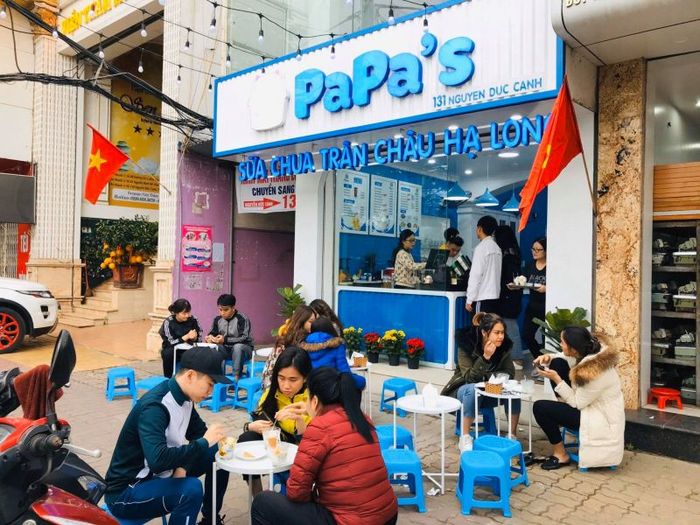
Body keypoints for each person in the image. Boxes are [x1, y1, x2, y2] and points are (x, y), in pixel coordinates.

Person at [251, 368, 398, 525]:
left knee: (263, 502)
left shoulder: (320, 427)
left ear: (314, 401)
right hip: (388, 515)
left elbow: (297, 492)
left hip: (350, 520)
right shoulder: (362, 418)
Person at [105, 347, 231, 525]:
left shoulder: (186, 398)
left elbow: (199, 434)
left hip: (160, 474)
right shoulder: (156, 406)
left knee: (218, 453)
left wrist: (184, 466)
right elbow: (158, 460)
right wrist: (204, 442)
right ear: (190, 376)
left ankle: (210, 519)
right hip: (127, 491)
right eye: (210, 384)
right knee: (191, 490)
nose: (211, 391)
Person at [533, 328, 625, 470]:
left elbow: (577, 403)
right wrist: (548, 357)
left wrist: (557, 379)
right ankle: (560, 413)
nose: (560, 344)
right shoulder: (591, 353)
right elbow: (564, 356)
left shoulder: (593, 372)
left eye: (562, 342)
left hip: (598, 417)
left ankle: (561, 454)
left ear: (574, 349)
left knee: (540, 408)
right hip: (588, 405)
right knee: (557, 362)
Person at [238, 347, 312, 495]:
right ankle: (258, 495)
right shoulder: (270, 394)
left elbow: (315, 436)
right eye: (281, 378)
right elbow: (258, 418)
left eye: (293, 380)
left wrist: (299, 419)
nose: (286, 385)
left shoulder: (313, 398)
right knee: (246, 439)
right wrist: (250, 426)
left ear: (305, 378)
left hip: (306, 448)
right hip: (278, 445)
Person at [441, 312, 520, 447]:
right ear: (484, 332)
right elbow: (469, 378)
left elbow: (509, 373)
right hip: (463, 391)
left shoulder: (504, 346)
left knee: (514, 391)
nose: (501, 336)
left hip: (489, 389)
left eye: (502, 332)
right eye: (497, 333)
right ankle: (465, 437)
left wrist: (487, 378)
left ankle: (512, 435)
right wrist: (485, 358)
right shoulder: (466, 344)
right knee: (473, 389)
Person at [299, 317, 366, 390]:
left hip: (312, 387)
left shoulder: (304, 346)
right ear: (330, 329)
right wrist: (361, 381)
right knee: (361, 381)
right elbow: (345, 372)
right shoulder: (337, 345)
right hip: (332, 387)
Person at [261, 305, 316, 390]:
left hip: (268, 383)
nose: (314, 325)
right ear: (302, 321)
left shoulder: (286, 334)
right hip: (278, 386)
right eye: (311, 321)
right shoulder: (302, 341)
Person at [205, 293, 254, 381]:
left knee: (238, 347)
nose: (222, 313)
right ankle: (218, 377)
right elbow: (213, 333)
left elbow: (244, 337)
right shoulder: (217, 319)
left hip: (244, 350)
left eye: (226, 310)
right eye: (220, 310)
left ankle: (236, 378)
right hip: (226, 350)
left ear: (233, 308)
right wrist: (210, 338)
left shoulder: (242, 318)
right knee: (215, 347)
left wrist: (224, 340)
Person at [494, 225, 524, 363]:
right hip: (512, 298)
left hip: (508, 298)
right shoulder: (515, 254)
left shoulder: (508, 257)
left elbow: (508, 280)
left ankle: (517, 358)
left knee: (510, 328)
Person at [465, 216, 502, 314]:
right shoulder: (497, 248)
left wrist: (469, 299)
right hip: (495, 297)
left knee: (479, 323)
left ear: (479, 229)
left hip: (482, 297)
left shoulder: (481, 248)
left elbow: (476, 275)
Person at [159, 299, 202, 378]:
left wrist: (194, 338)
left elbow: (199, 338)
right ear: (176, 313)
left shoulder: (193, 319)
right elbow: (170, 342)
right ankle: (168, 379)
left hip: (188, 349)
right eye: (184, 313)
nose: (187, 315)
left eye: (189, 312)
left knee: (201, 354)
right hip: (172, 350)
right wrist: (186, 337)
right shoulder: (168, 322)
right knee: (167, 354)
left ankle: (193, 379)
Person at [522, 237, 547, 361]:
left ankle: (547, 364)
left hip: (547, 307)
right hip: (533, 306)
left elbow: (560, 284)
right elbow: (522, 280)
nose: (535, 252)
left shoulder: (552, 266)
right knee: (527, 335)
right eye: (533, 249)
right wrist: (516, 285)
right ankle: (539, 359)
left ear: (546, 251)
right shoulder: (530, 266)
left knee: (546, 338)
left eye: (538, 250)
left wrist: (547, 289)